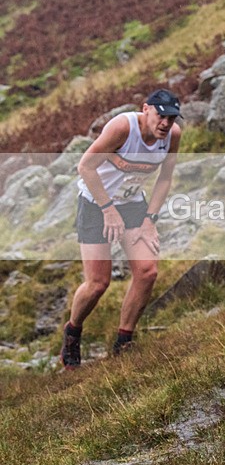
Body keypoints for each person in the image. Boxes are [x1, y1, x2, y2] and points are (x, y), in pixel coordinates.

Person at [60, 89, 182, 369]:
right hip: (95, 203)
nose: (165, 123)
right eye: (161, 115)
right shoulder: (123, 127)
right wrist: (107, 209)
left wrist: (150, 218)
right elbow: (86, 167)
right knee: (98, 283)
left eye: (172, 118)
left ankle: (123, 342)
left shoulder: (172, 136)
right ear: (146, 109)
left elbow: (165, 178)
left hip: (131, 205)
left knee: (147, 271)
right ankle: (73, 332)